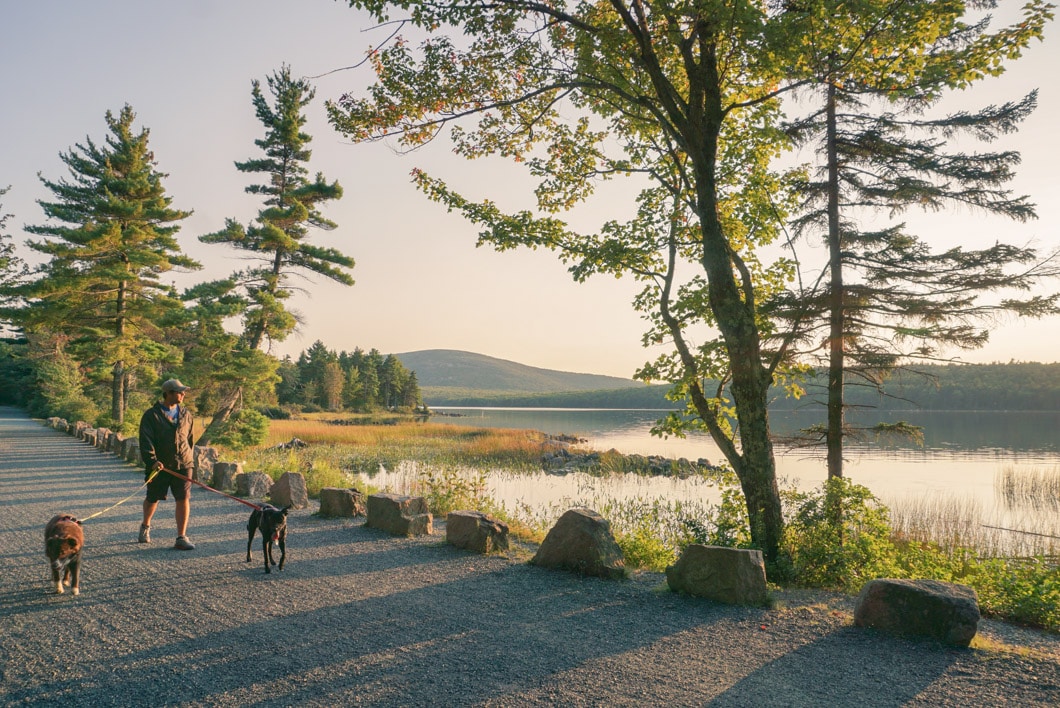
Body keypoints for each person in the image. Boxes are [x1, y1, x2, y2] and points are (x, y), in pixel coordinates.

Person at [139, 378, 196, 550]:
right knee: (152, 498)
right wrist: (152, 461)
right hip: (159, 466)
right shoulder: (151, 415)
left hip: (184, 464)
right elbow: (145, 440)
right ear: (168, 394)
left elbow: (190, 440)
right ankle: (145, 526)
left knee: (183, 498)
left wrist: (189, 460)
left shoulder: (187, 414)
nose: (183, 394)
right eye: (180, 392)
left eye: (183, 391)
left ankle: (181, 536)